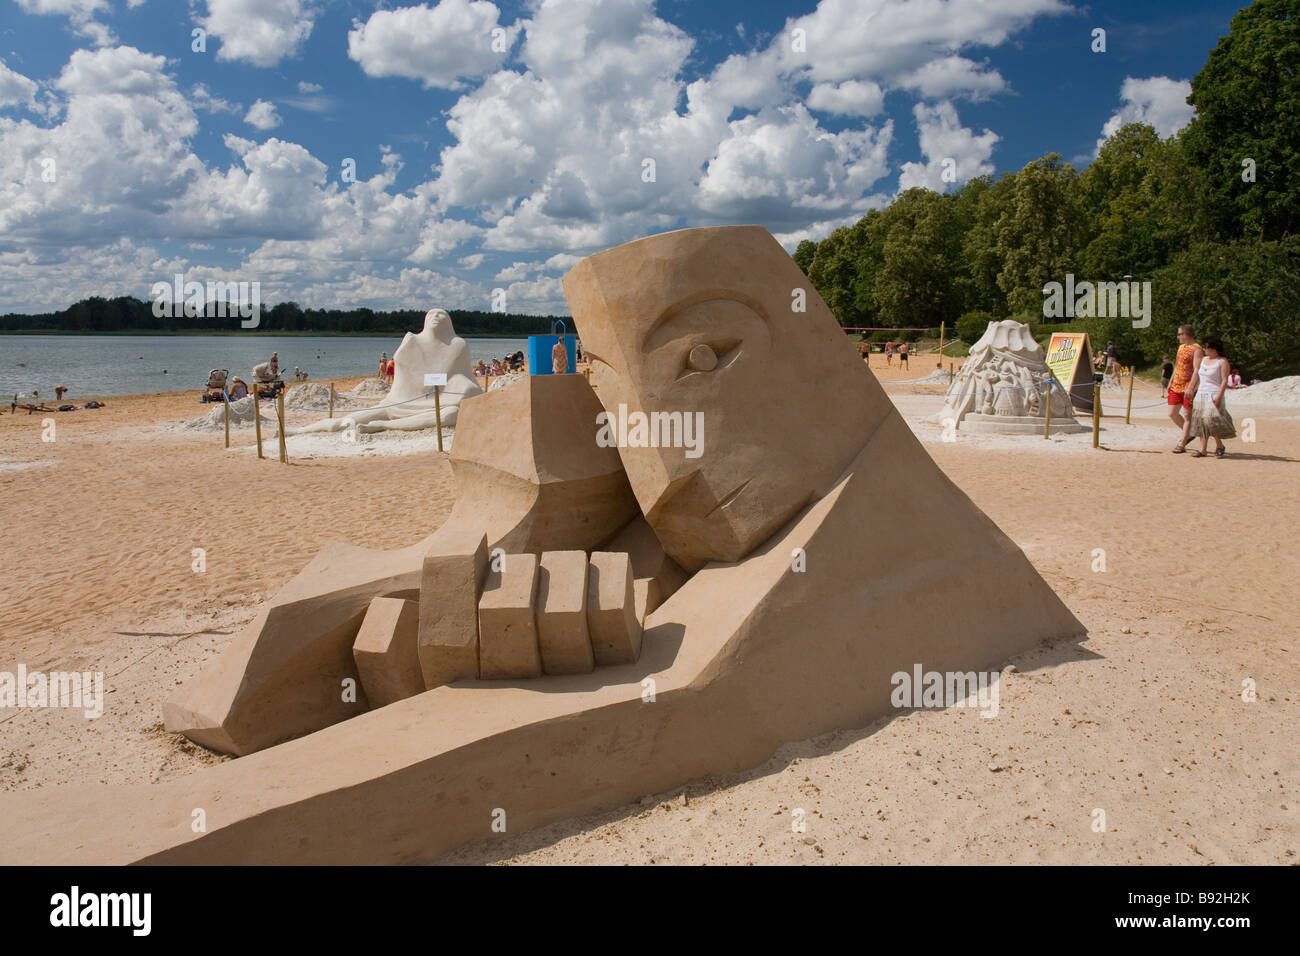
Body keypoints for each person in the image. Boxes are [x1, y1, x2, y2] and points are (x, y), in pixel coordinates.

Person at [1188, 335, 1235, 458]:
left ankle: (1219, 445)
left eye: (1206, 347)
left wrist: (1219, 396)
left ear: (1214, 348)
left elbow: (1225, 380)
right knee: (1201, 422)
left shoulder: (1222, 361)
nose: (1204, 349)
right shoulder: (1202, 360)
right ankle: (1202, 449)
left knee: (1210, 421)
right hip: (1201, 394)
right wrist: (1191, 388)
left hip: (1214, 394)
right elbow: (1197, 375)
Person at [1167, 325, 1203, 454]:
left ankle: (1182, 443)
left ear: (1186, 334)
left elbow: (1197, 369)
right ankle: (1189, 433)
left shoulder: (1197, 349)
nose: (1178, 337)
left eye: (1179, 334)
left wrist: (1192, 387)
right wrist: (1171, 381)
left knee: (1188, 415)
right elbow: (1177, 365)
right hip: (1177, 384)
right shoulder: (1181, 347)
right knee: (1172, 413)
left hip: (1188, 386)